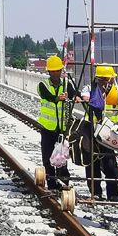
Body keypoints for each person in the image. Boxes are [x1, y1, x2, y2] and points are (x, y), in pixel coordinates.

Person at [36, 54, 77, 190]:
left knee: (62, 156)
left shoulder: (66, 84)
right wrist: (58, 98)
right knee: (48, 157)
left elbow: (73, 94)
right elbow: (48, 96)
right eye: (53, 71)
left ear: (61, 71)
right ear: (49, 72)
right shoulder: (43, 85)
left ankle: (63, 179)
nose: (55, 73)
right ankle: (52, 184)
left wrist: (78, 97)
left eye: (58, 71)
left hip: (62, 128)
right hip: (48, 128)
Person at [84, 65, 118, 202]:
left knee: (110, 163)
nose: (108, 83)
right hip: (92, 130)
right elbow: (85, 96)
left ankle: (113, 194)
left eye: (110, 80)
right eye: (105, 80)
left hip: (109, 133)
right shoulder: (90, 89)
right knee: (92, 163)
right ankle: (95, 192)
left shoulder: (117, 91)